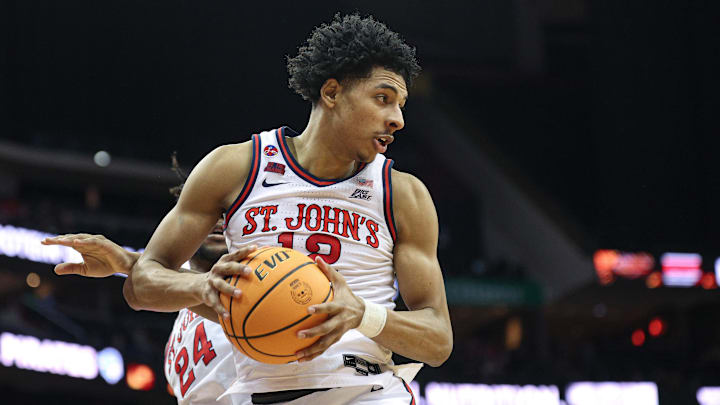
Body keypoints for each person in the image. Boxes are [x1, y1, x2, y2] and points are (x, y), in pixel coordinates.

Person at [69, 13, 452, 404]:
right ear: (332, 92)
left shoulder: (403, 194)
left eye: (401, 105)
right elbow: (143, 284)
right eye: (383, 98)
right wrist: (203, 286)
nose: (398, 119)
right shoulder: (236, 166)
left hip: (367, 391)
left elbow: (438, 340)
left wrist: (362, 314)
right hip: (259, 392)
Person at [43, 224, 245, 404]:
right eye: (211, 213)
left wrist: (130, 263)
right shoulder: (181, 316)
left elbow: (240, 307)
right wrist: (133, 265)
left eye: (228, 212)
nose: (220, 221)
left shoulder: (257, 291)